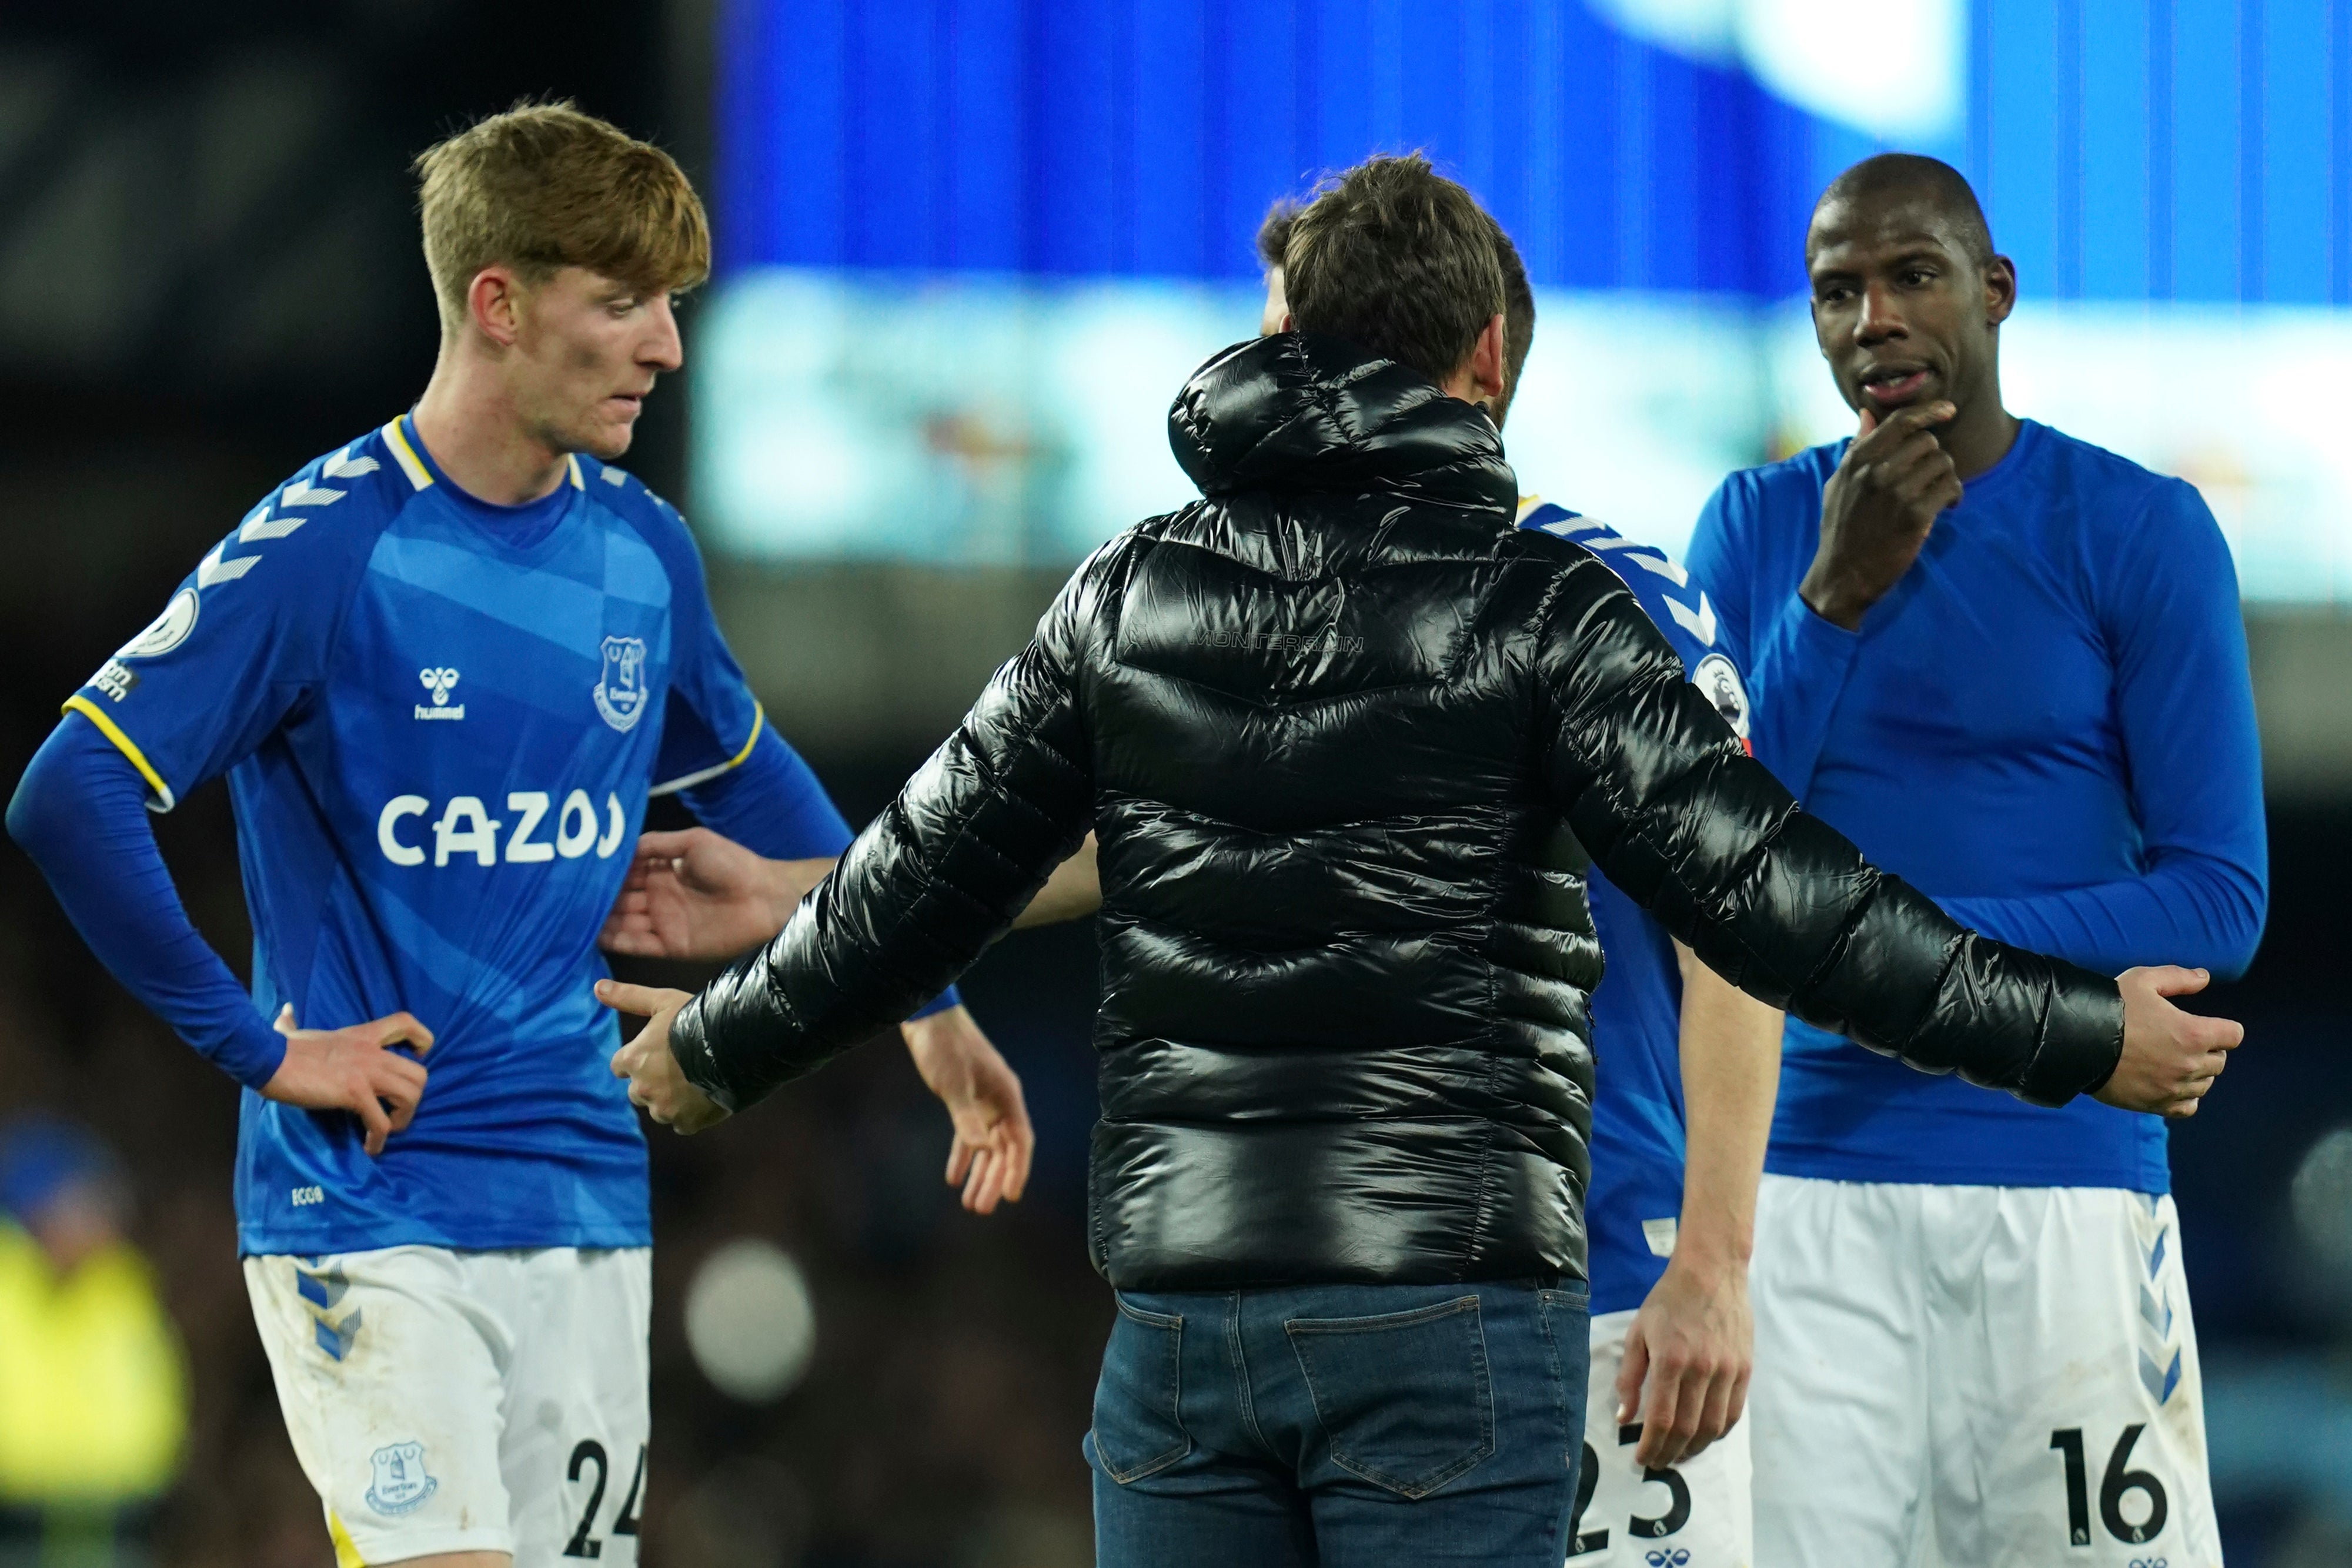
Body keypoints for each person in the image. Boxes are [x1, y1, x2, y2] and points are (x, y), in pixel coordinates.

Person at [598, 153, 2240, 1568]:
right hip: (1471, 1299)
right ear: (1489, 352)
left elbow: (962, 863)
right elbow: (1765, 897)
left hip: (1381, 1296)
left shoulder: (1154, 588)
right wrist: (2072, 1027)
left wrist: (1714, 1261)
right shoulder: (1552, 608)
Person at [598, 200, 1784, 1562]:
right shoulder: (1231, 594)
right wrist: (808, 891)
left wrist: (1712, 1265)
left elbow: (1733, 933)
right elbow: (1102, 835)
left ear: (1477, 362)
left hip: (1590, 1287)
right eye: (1274, 331)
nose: (1282, 366)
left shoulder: (1597, 594)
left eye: (1301, 331)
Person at [5, 103, 1032, 1568]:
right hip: (366, 1213)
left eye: (669, 308)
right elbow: (71, 790)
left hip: (585, 1199)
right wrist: (263, 1047)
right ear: (497, 304)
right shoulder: (328, 547)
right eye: (620, 305)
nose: (665, 348)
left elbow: (753, 784)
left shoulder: (641, 553)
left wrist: (923, 1005)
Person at [1682, 153, 2267, 1566]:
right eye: (1836, 290)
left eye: (1911, 277)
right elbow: (1712, 869)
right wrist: (1832, 595)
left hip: (2059, 1171)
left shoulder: (2136, 531)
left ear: (1992, 292)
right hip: (1802, 1196)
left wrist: (1881, 943)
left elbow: (2215, 898)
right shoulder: (1753, 533)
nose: (1871, 318)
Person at [0, 1117, 186, 1568]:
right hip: (13, 1524)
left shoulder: (123, 1288)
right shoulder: (9, 1283)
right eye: (81, 1205)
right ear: (36, 1210)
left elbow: (156, 1421)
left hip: (111, 1524)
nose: (101, 1221)